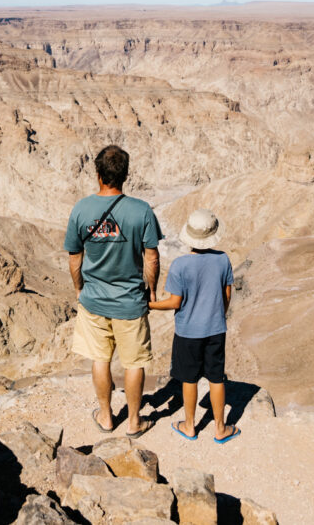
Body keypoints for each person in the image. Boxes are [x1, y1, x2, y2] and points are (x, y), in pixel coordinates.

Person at [65, 144, 162, 437]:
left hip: (94, 300)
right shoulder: (142, 211)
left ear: (98, 175)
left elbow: (74, 258)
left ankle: (106, 417)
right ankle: (133, 422)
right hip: (130, 302)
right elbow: (152, 257)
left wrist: (80, 289)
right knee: (134, 363)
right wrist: (152, 292)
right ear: (126, 175)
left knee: (100, 359)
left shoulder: (81, 209)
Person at [149, 208, 240, 443]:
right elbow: (227, 294)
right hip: (216, 329)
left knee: (189, 379)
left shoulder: (180, 265)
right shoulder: (223, 260)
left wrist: (152, 305)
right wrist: (218, 315)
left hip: (187, 332)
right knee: (216, 378)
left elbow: (175, 301)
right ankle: (220, 428)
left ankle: (189, 426)